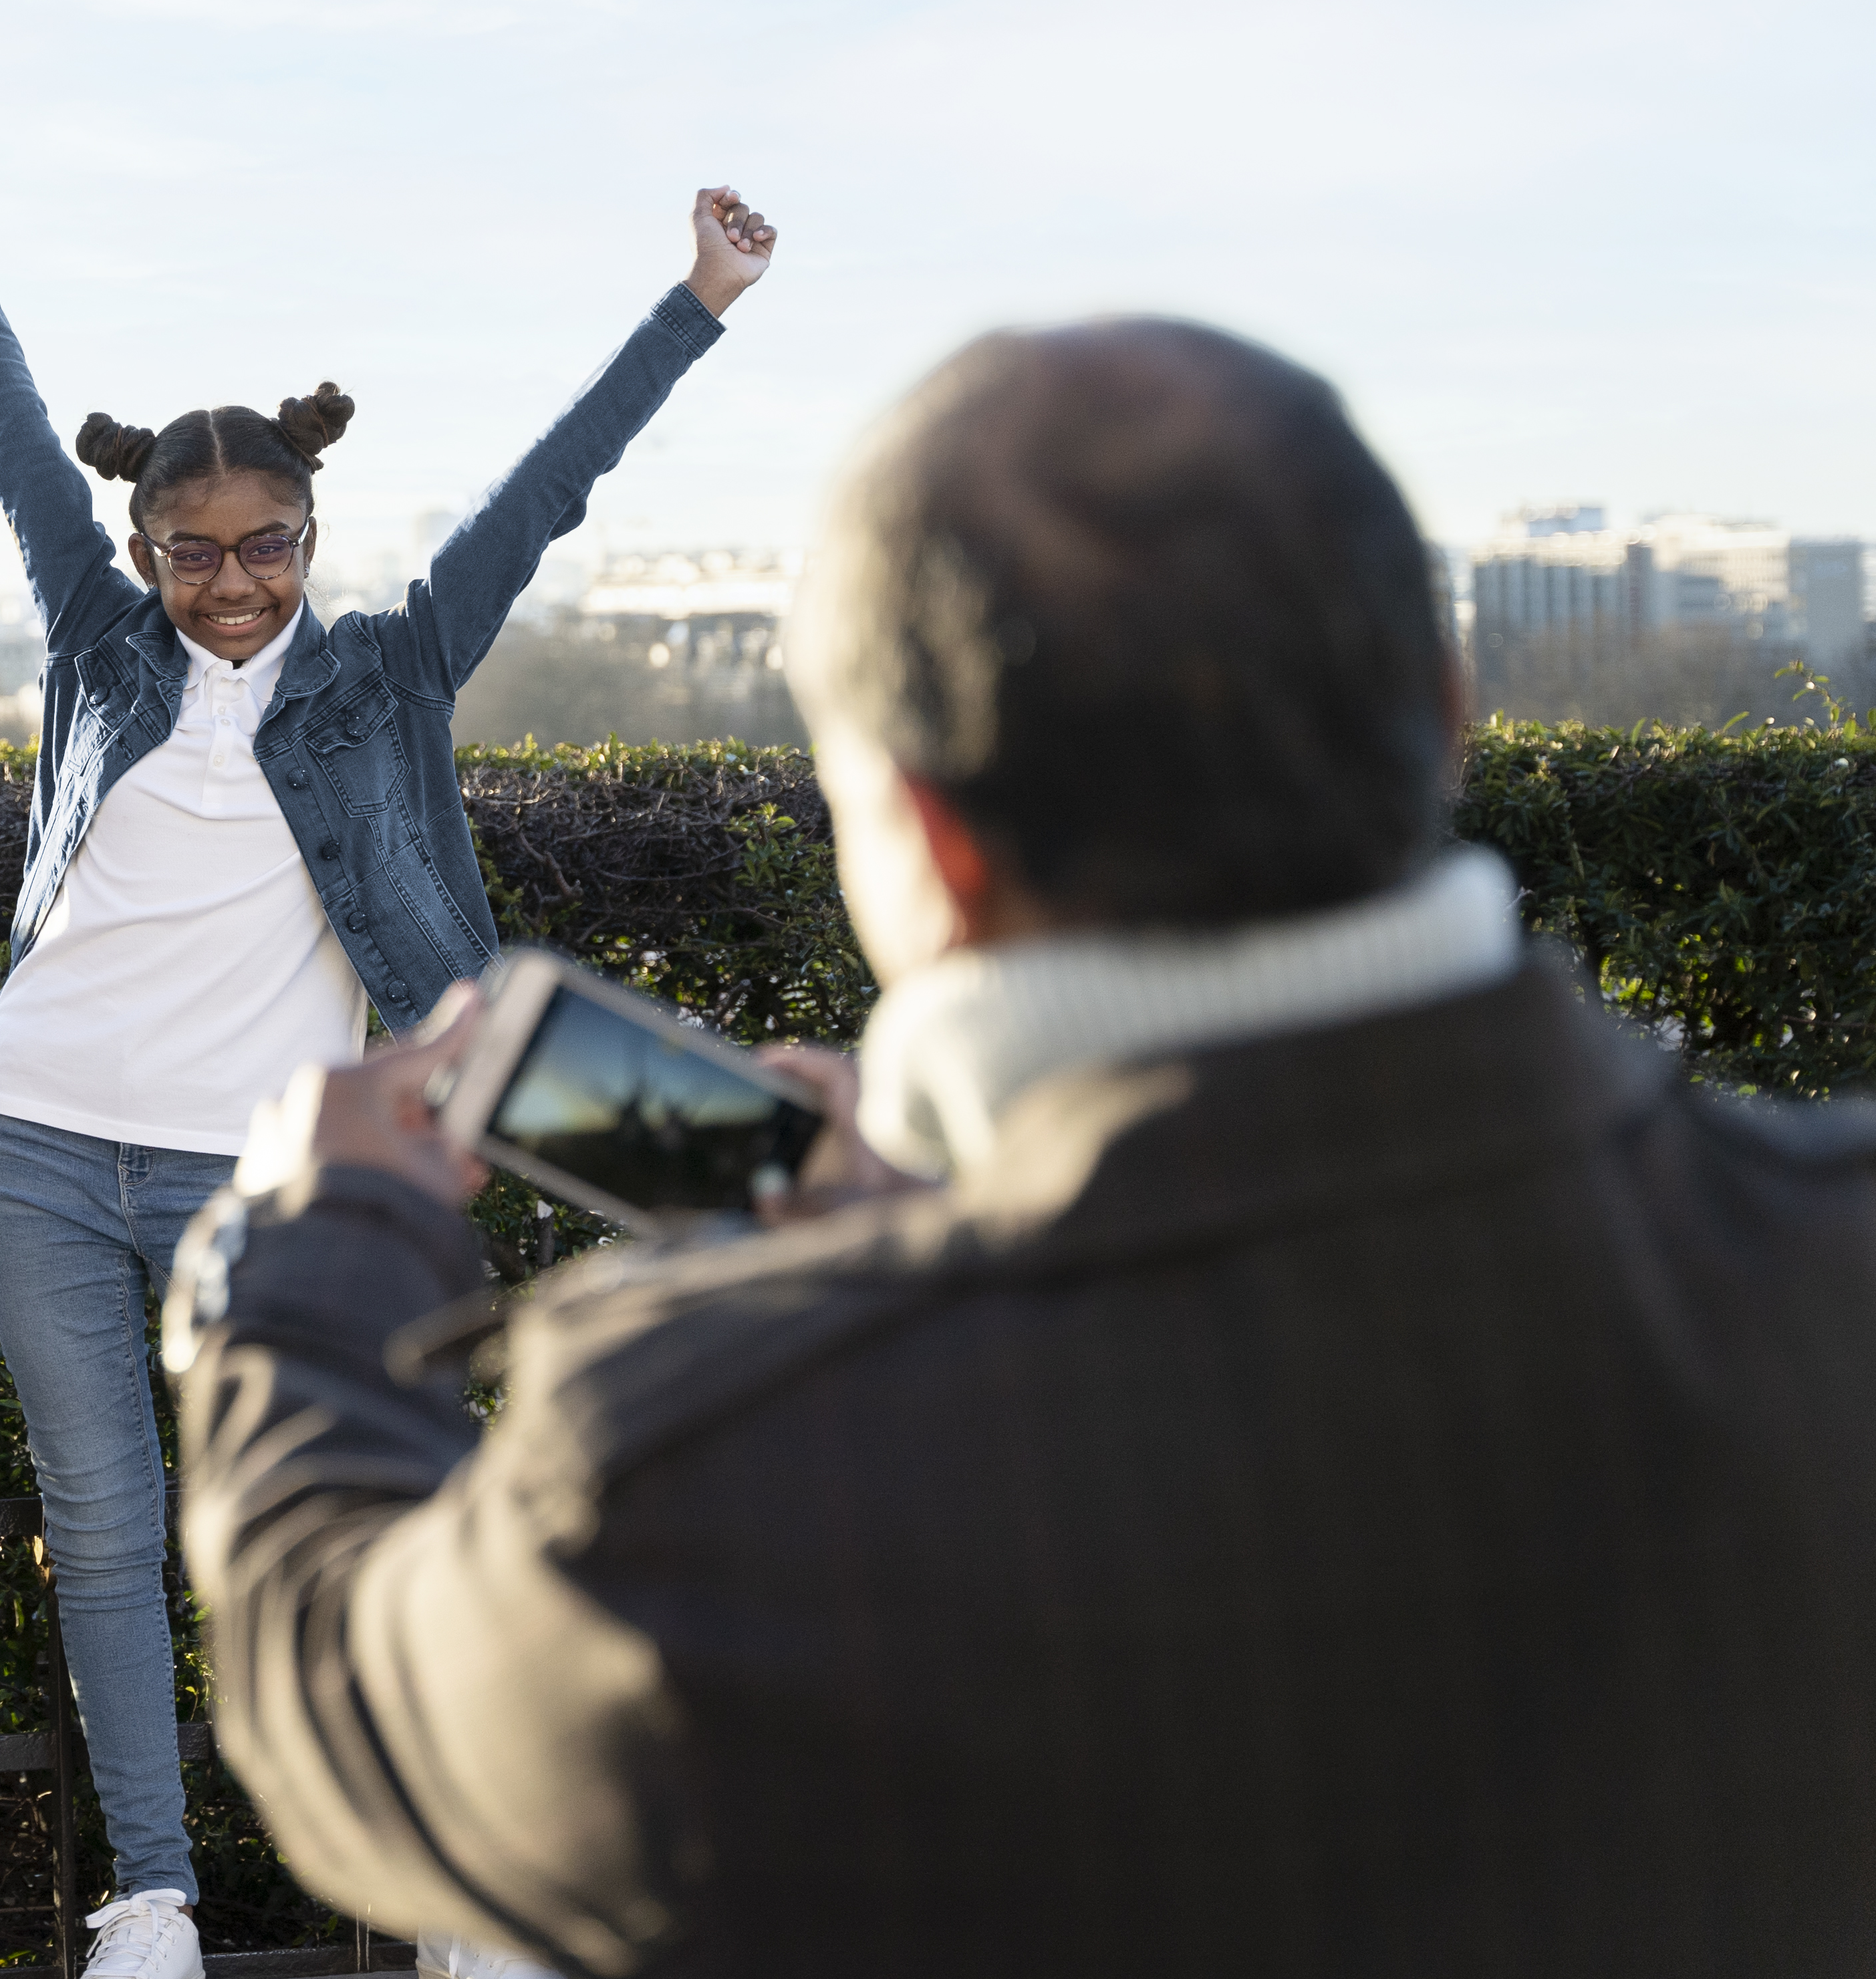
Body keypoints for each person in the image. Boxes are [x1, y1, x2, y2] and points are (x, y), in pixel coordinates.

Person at [168, 318, 1876, 1978]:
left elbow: (354, 1695)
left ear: (912, 826)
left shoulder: (711, 1469)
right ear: (1446, 709)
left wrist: (312, 1258)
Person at [0, 117, 776, 1979]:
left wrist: (698, 301)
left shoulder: (386, 673)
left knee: (356, 1505)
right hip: (34, 1142)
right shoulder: (90, 637)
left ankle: (450, 1886)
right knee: (110, 1533)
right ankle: (152, 1903)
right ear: (138, 548)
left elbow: (551, 491)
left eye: (265, 547)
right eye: (191, 553)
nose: (229, 584)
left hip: (256, 1162)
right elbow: (0, 429)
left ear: (314, 537)